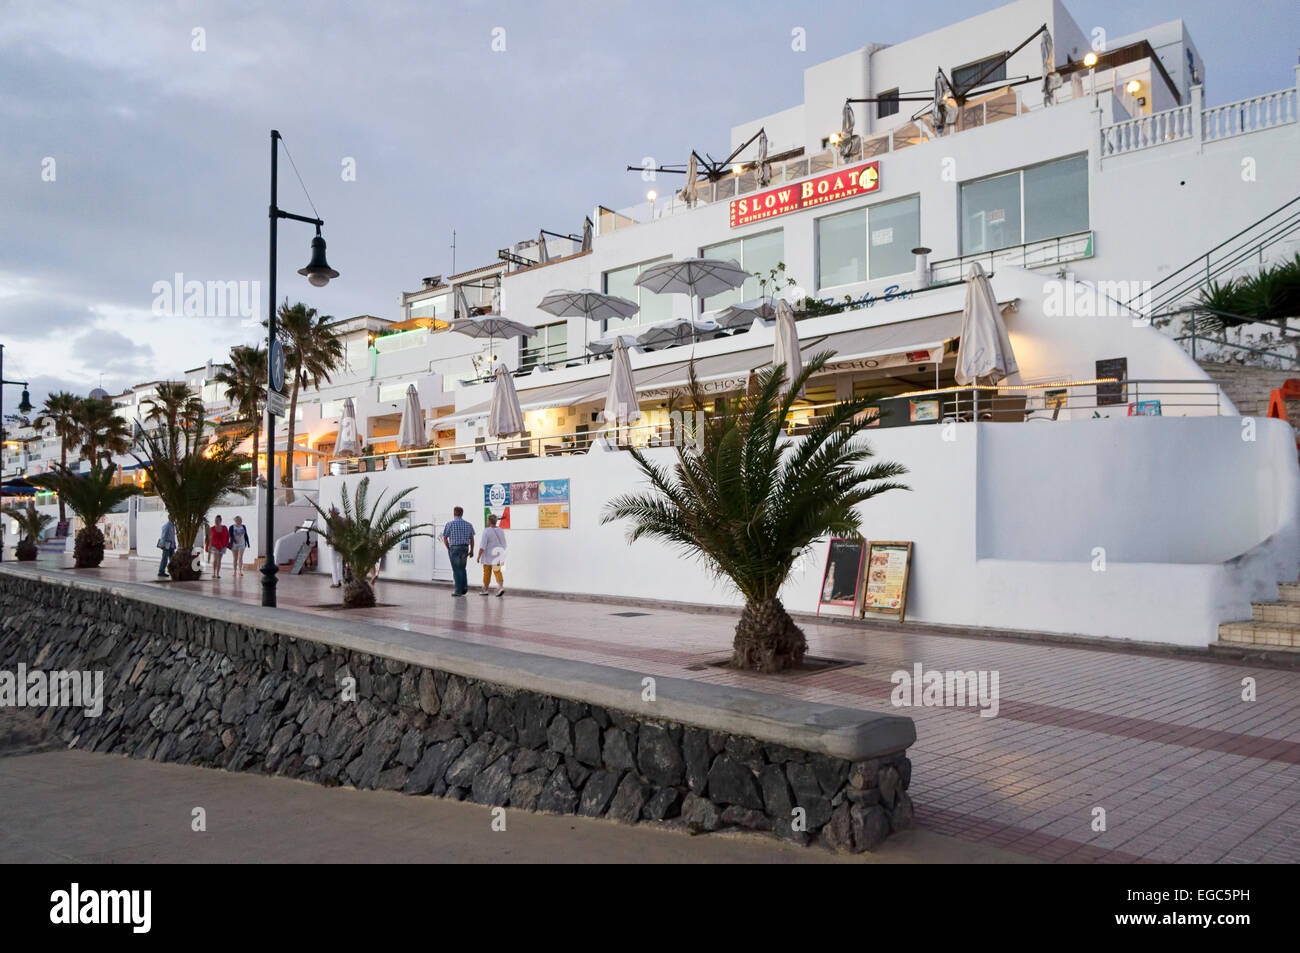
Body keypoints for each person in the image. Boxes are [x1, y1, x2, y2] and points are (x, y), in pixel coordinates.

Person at [442, 506, 475, 597]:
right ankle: (464, 588)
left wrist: (448, 548)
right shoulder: (468, 524)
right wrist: (472, 550)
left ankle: (458, 590)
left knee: (456, 570)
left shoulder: (450, 524)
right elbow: (472, 539)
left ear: (454, 513)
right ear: (462, 513)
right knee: (462, 568)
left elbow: (445, 537)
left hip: (454, 548)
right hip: (465, 548)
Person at [478, 513, 507, 597]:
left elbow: (483, 545)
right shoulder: (501, 530)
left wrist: (479, 556)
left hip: (488, 556)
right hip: (498, 554)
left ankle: (485, 590)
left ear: (489, 521)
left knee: (487, 573)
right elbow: (504, 544)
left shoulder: (486, 531)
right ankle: (500, 587)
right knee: (497, 571)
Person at [327, 505, 344, 588]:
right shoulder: (342, 520)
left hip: (333, 544)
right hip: (341, 543)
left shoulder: (330, 521)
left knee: (333, 563)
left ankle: (335, 582)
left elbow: (328, 534)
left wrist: (330, 541)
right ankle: (339, 579)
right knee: (339, 562)